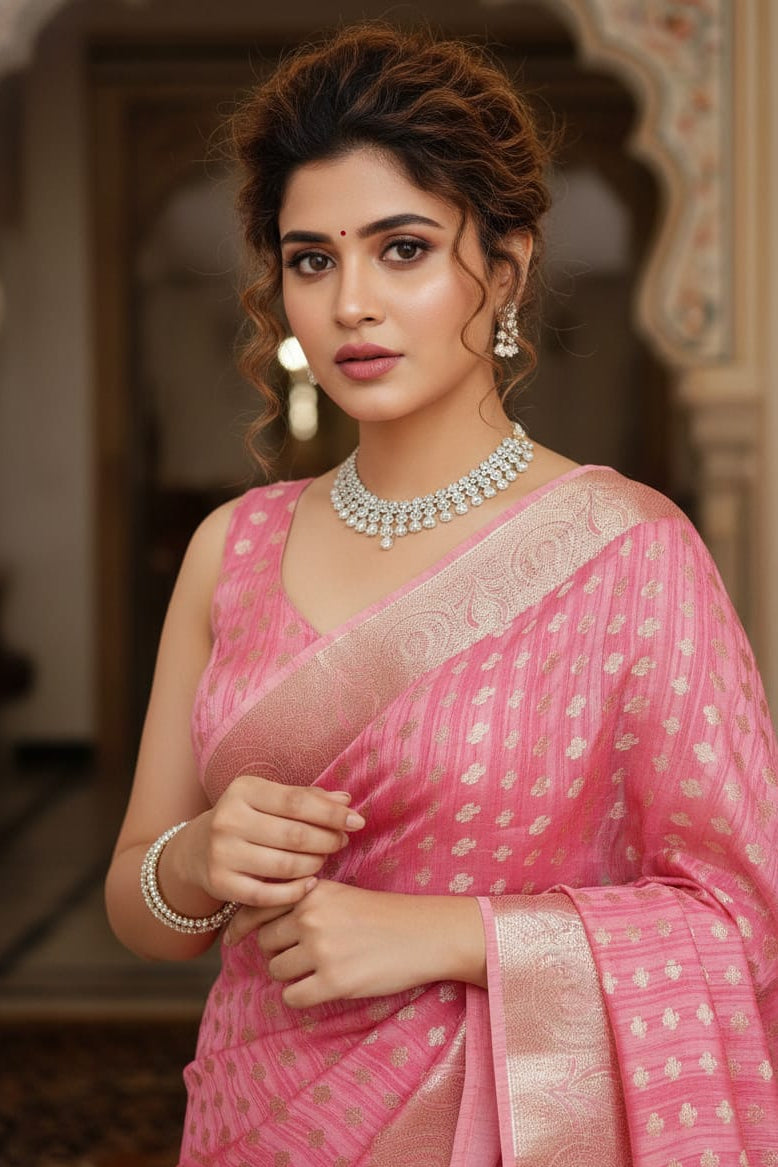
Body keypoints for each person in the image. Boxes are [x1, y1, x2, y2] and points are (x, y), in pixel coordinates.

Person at [105, 22, 778, 1166]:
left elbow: (734, 921)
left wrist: (447, 936)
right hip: (257, 1118)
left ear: (504, 267)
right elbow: (141, 903)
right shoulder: (236, 546)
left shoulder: (629, 554)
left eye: (402, 248)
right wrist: (197, 859)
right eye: (311, 258)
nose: (350, 302)